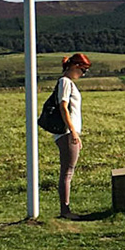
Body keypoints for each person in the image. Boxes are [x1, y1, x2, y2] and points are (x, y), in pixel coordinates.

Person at [49, 53, 90, 218]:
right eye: (83, 70)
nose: (83, 74)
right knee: (67, 171)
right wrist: (73, 131)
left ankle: (65, 209)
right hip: (67, 133)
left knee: (68, 170)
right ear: (75, 67)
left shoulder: (67, 82)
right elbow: (63, 107)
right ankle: (65, 210)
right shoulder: (65, 82)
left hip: (69, 132)